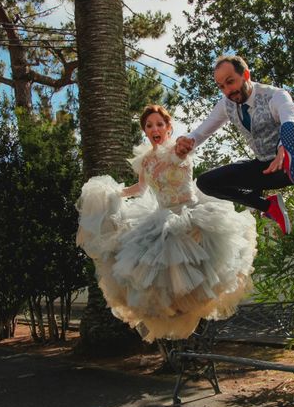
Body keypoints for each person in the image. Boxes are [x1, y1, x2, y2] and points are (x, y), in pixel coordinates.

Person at [76, 105, 258, 342]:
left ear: (169, 127)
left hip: (190, 216)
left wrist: (177, 153)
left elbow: (180, 158)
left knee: (201, 278)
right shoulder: (146, 160)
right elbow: (141, 188)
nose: (155, 129)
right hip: (160, 218)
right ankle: (182, 341)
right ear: (145, 131)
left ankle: (195, 339)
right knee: (160, 283)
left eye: (159, 124)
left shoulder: (181, 147)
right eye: (149, 126)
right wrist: (114, 193)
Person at [175, 55, 294, 235]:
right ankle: (268, 205)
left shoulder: (274, 95)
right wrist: (187, 140)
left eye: (230, 82)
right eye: (221, 87)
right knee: (206, 183)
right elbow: (202, 131)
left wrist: (284, 146)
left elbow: (291, 115)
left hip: (285, 165)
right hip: (263, 167)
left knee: (290, 136)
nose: (227, 91)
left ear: (246, 75)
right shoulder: (227, 104)